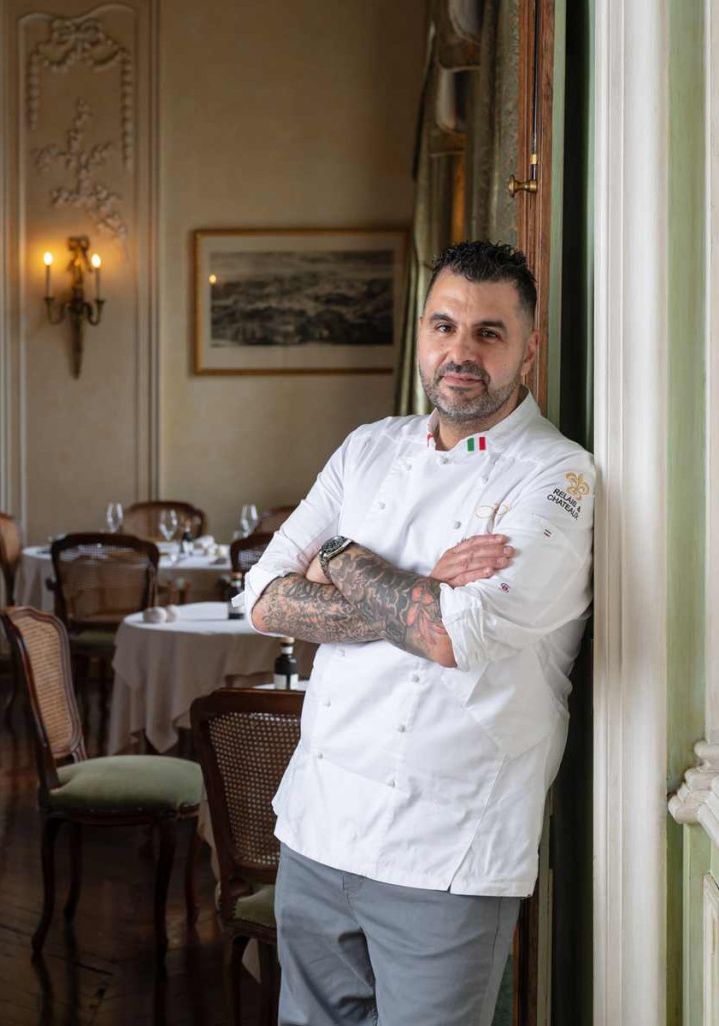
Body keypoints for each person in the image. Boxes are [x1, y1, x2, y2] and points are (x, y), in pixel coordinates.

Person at [246, 240, 594, 1026]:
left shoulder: (558, 476)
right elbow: (265, 599)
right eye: (444, 326)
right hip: (317, 827)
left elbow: (452, 636)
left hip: (448, 850)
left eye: (489, 333)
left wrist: (338, 563)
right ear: (424, 333)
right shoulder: (368, 447)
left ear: (528, 350)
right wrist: (416, 585)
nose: (460, 352)